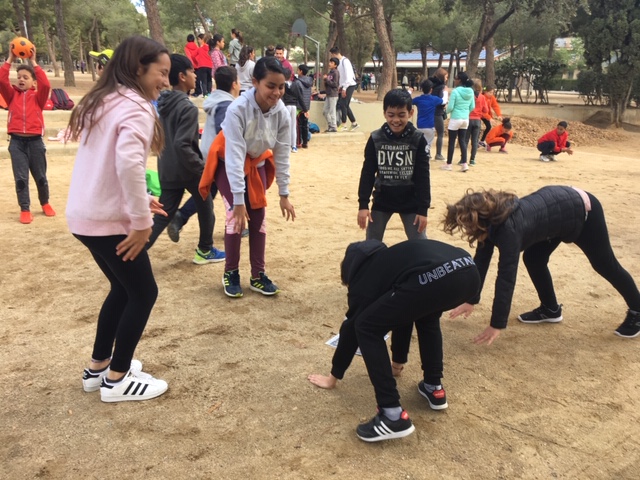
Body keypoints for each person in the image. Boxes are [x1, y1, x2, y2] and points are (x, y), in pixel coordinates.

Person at [66, 35, 171, 402]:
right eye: (161, 72)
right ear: (139, 68)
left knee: (123, 289)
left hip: (85, 217)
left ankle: (98, 368)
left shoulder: (104, 99)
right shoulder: (136, 106)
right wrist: (141, 222)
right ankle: (117, 379)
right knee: (143, 293)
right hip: (107, 221)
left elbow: (111, 164)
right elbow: (127, 164)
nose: (165, 81)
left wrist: (140, 199)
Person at [308, 239, 481, 442]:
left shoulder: (365, 280)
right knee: (426, 316)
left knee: (366, 326)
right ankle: (434, 388)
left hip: (435, 276)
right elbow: (403, 314)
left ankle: (392, 415)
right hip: (468, 272)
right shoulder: (394, 261)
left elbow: (351, 328)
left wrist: (333, 376)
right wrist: (397, 365)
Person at [443, 186, 640, 344]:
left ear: (480, 218)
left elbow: (506, 277)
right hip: (556, 217)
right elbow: (481, 260)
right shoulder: (489, 222)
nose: (467, 229)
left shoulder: (508, 230)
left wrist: (497, 324)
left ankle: (637, 311)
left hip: (582, 211)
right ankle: (550, 309)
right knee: (534, 259)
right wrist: (471, 299)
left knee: (605, 264)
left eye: (467, 225)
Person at [198, 56, 296, 298]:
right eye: (270, 86)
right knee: (236, 217)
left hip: (256, 161)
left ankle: (257, 275)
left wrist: (284, 193)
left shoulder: (282, 113)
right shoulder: (237, 109)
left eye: (281, 86)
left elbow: (282, 153)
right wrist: (238, 201)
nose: (277, 93)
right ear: (254, 82)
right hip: (228, 162)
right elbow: (234, 156)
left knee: (259, 216)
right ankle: (231, 272)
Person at [144, 54, 224, 265]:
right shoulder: (187, 108)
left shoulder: (161, 104)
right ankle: (205, 249)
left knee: (162, 215)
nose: (195, 75)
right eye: (192, 71)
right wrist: (202, 168)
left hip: (167, 168)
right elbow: (183, 145)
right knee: (206, 209)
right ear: (181, 76)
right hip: (188, 170)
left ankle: (135, 253)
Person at [168, 66, 241, 243]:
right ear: (234, 84)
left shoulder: (217, 101)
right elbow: (224, 132)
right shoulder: (226, 105)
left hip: (209, 154)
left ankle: (181, 216)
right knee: (232, 191)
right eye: (238, 81)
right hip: (219, 156)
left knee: (209, 192)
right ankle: (235, 226)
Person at [358, 89, 430, 242]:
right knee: (371, 245)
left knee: (421, 245)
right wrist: (363, 204)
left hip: (411, 201)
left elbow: (423, 176)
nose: (396, 120)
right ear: (384, 113)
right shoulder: (375, 138)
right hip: (382, 200)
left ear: (410, 113)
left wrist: (423, 209)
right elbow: (368, 173)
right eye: (391, 115)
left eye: (401, 115)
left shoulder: (418, 139)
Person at [0, 44, 55, 224]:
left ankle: (45, 203)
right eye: (19, 77)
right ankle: (25, 208)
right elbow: (1, 80)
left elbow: (46, 84)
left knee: (41, 177)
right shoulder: (11, 96)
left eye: (25, 77)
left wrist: (33, 62)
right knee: (21, 178)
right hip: (17, 144)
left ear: (33, 82)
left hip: (36, 143)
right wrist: (10, 59)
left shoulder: (38, 97)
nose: (21, 80)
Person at [442, 71, 474, 172]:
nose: (454, 80)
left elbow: (450, 107)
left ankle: (449, 164)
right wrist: (465, 112)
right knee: (462, 141)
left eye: (455, 78)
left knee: (451, 141)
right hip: (465, 119)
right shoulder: (471, 91)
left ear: (459, 80)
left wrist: (445, 112)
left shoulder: (455, 92)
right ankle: (464, 164)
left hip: (455, 118)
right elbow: (472, 106)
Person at [412, 78, 444, 159]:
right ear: (431, 89)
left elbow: (408, 101)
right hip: (430, 126)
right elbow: (443, 101)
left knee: (420, 143)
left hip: (420, 125)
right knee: (428, 145)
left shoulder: (418, 99)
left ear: (422, 89)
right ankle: (426, 156)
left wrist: (409, 92)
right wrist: (445, 91)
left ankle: (422, 156)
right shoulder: (434, 99)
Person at [329, 46, 359, 131]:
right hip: (343, 86)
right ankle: (354, 123)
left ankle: (344, 124)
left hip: (349, 85)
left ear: (334, 54)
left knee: (343, 104)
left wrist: (344, 88)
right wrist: (340, 87)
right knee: (345, 105)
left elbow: (348, 77)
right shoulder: (339, 63)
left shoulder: (345, 61)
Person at [465, 78, 489, 165]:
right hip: (477, 120)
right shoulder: (482, 97)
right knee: (475, 141)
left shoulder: (468, 96)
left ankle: (463, 159)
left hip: (468, 119)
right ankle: (472, 159)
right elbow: (486, 110)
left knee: (465, 140)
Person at [282, 68, 305, 153]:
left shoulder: (282, 85)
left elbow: (281, 96)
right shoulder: (295, 84)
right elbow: (300, 97)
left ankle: (287, 145)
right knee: (293, 126)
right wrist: (305, 109)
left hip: (286, 106)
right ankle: (294, 146)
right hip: (294, 106)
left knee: (285, 126)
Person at [290, 64, 313, 149]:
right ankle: (305, 143)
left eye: (298, 70)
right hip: (307, 106)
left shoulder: (297, 82)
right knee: (305, 125)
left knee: (298, 125)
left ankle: (298, 142)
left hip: (299, 106)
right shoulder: (310, 81)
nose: (297, 71)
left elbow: (297, 95)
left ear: (301, 71)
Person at [428, 67, 448, 161]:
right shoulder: (442, 87)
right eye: (446, 77)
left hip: (429, 111)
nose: (447, 79)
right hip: (438, 112)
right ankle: (438, 154)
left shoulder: (430, 85)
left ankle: (427, 153)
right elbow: (442, 101)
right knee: (440, 133)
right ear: (442, 77)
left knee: (429, 133)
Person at [322, 57, 340, 133]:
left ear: (335, 65)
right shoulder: (330, 73)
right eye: (330, 62)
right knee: (325, 111)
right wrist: (325, 80)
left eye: (331, 63)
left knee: (332, 111)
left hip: (333, 94)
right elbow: (328, 84)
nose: (329, 64)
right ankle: (330, 125)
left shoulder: (336, 73)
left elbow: (335, 84)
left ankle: (334, 126)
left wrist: (327, 79)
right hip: (328, 94)